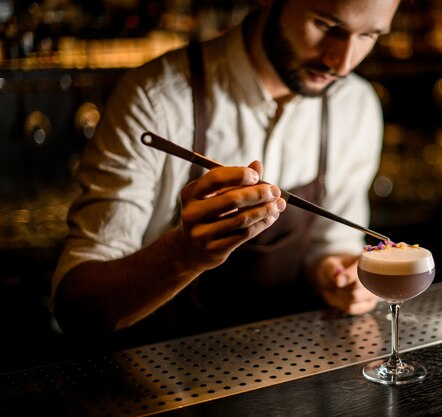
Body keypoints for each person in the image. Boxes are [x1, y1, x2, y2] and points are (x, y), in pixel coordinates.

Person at [51, 0, 401, 339]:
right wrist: (183, 253)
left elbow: (331, 245)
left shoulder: (354, 104)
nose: (340, 63)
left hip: (286, 371)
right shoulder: (155, 99)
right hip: (158, 380)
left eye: (369, 35)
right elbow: (78, 310)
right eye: (326, 25)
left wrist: (334, 274)